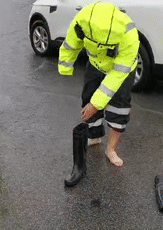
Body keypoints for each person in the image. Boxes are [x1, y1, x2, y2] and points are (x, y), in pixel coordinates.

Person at [58, 2, 139, 167]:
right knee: (87, 99)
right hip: (95, 64)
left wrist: (96, 103)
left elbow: (116, 76)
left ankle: (111, 149)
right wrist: (65, 67)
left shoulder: (129, 35)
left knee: (119, 107)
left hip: (121, 70)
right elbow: (71, 44)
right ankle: (94, 137)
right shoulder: (81, 21)